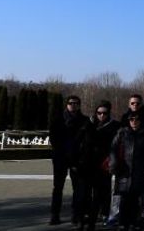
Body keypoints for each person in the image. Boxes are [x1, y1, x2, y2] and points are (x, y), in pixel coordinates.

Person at [49, 95, 91, 226]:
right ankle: (55, 215)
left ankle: (76, 214)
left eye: (76, 103)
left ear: (79, 105)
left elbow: (86, 140)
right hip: (60, 158)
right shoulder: (57, 120)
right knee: (58, 188)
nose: (73, 105)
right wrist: (64, 153)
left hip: (77, 159)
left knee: (77, 188)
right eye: (71, 103)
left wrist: (78, 155)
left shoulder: (84, 120)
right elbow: (53, 139)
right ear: (67, 104)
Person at [110, 111, 144, 231]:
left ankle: (134, 222)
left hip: (139, 170)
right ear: (128, 121)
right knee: (123, 198)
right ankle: (123, 222)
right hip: (124, 170)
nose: (134, 121)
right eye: (131, 119)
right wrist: (114, 165)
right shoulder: (122, 133)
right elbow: (113, 149)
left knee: (136, 198)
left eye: (137, 119)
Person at [86, 100, 120, 230]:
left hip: (106, 162)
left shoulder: (115, 125)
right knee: (93, 191)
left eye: (104, 113)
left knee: (105, 190)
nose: (101, 115)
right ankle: (91, 215)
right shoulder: (89, 124)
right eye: (99, 113)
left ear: (109, 113)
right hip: (91, 163)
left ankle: (105, 213)